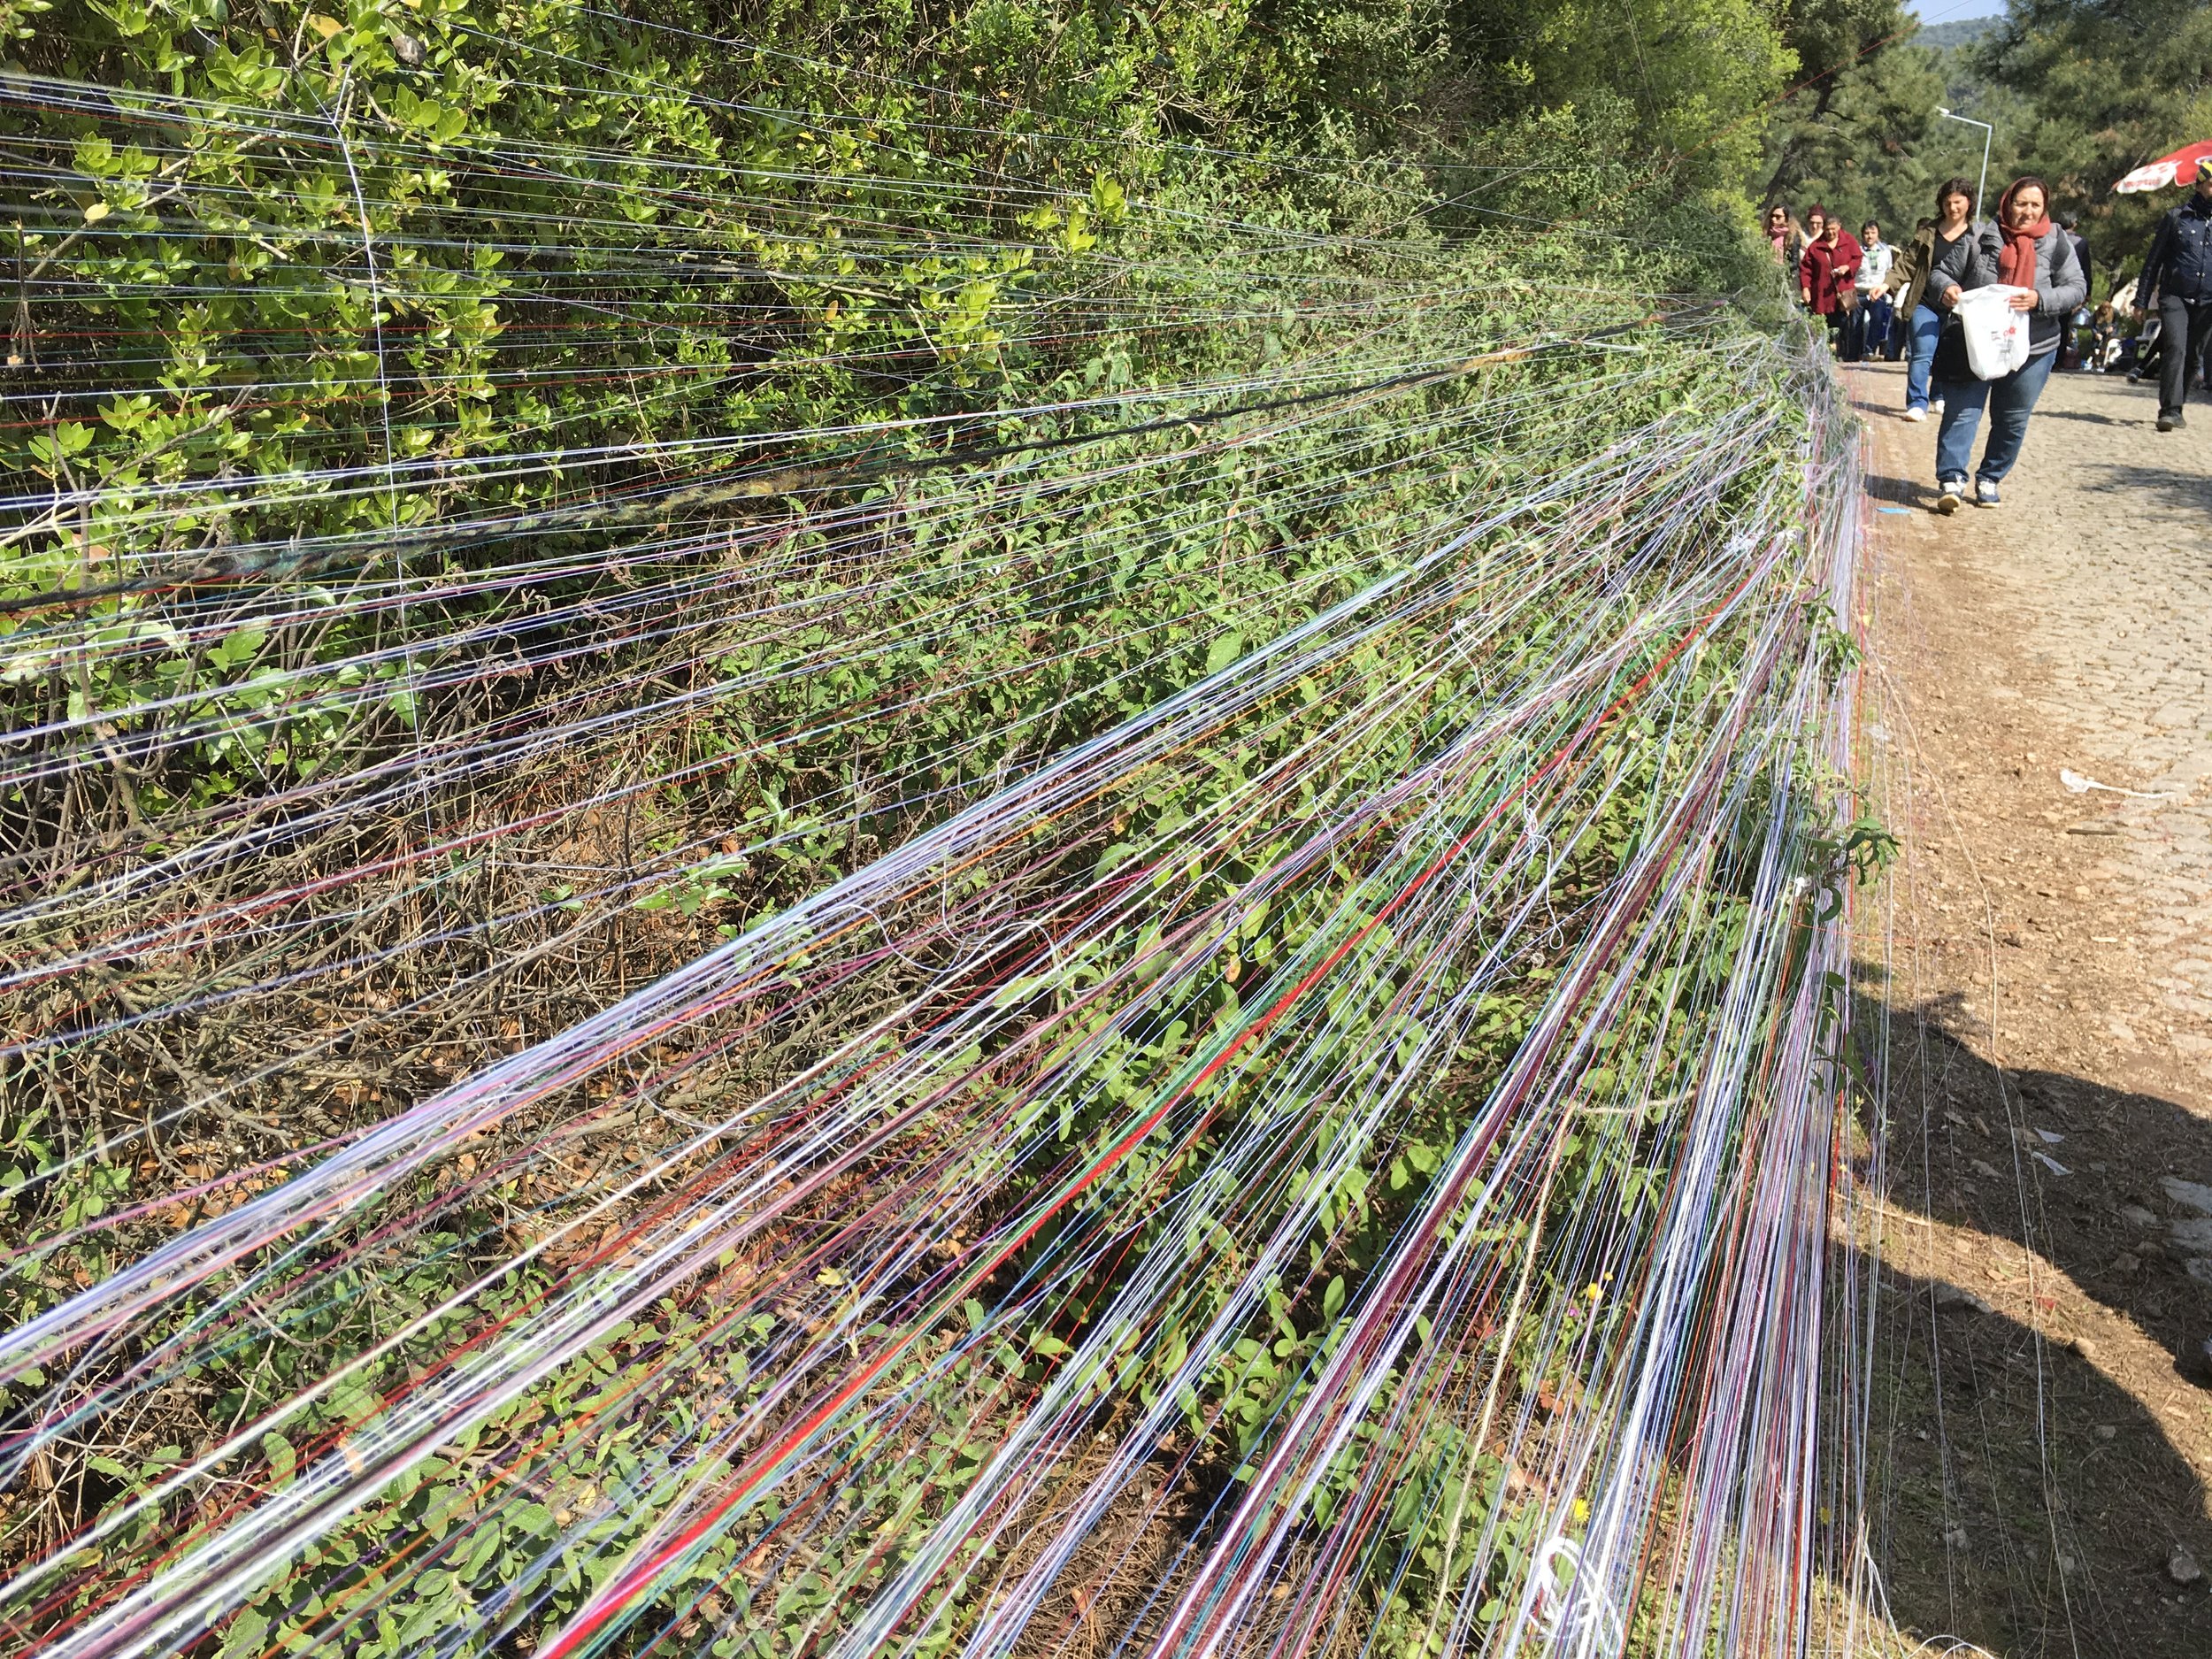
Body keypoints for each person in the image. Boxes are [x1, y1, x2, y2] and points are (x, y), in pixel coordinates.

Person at [1928, 175, 2087, 511]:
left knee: (2012, 417)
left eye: (2035, 205)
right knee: (1963, 410)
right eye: (2021, 203)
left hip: (2034, 346)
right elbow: (1940, 272)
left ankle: (1990, 477)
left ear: (2044, 209)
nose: (2027, 212)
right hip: (1976, 341)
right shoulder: (1979, 235)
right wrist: (1947, 289)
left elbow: (2076, 287)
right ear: (2007, 203)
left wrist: (2039, 299)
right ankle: (1952, 479)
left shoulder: (2057, 242)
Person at [1885, 178, 1978, 421]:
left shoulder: (1978, 235)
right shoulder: (1928, 233)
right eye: (1947, 203)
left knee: (1945, 352)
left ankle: (1939, 394)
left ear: (1969, 202)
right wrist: (1886, 283)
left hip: (1960, 307)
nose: (1953, 207)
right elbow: (1907, 262)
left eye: (1958, 202)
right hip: (1925, 301)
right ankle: (1917, 403)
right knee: (1922, 351)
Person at [2131, 155, 2212, 431]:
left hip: (2208, 301)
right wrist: (2141, 301)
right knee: (2175, 347)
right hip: (2175, 296)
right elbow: (2153, 262)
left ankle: (2179, 404)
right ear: (2200, 185)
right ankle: (2170, 410)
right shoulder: (2176, 217)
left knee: (2194, 356)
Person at [1801, 212, 1863, 354]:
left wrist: (1847, 267)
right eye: (1827, 229)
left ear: (1839, 227)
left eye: (1833, 229)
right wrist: (1805, 288)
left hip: (1843, 293)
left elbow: (1857, 258)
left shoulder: (1849, 241)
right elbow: (1806, 269)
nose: (1830, 232)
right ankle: (1825, 353)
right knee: (1823, 325)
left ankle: (1846, 354)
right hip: (1822, 294)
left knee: (1845, 324)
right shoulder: (1816, 246)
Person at [1852, 220, 1895, 361]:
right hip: (1859, 291)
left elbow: (1889, 271)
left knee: (1877, 321)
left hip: (1877, 292)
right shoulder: (1856, 250)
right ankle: (1853, 354)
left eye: (1873, 233)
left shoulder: (1885, 251)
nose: (1869, 236)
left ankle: (1870, 351)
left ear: (1878, 234)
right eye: (1866, 233)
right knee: (1855, 324)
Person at [1799, 208, 1827, 306]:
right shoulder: (1799, 236)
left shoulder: (1827, 238)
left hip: (1820, 285)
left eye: (1818, 223)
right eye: (1812, 223)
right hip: (1799, 284)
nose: (1815, 226)